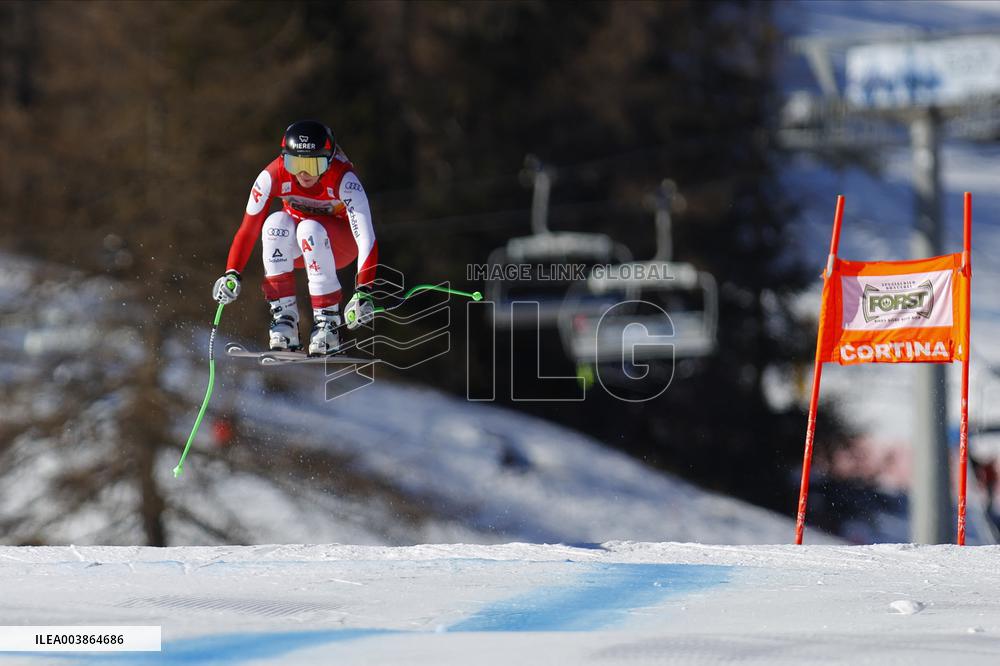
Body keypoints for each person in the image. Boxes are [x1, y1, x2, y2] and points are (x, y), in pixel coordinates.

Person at [212, 120, 377, 355]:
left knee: (309, 228)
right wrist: (232, 272)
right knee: (273, 224)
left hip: (338, 246)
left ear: (329, 160)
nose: (304, 173)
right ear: (284, 158)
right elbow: (248, 229)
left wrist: (363, 291)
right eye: (295, 163)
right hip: (300, 247)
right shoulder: (273, 175)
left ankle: (327, 324)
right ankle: (284, 321)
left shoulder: (344, 179)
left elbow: (366, 239)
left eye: (314, 165)